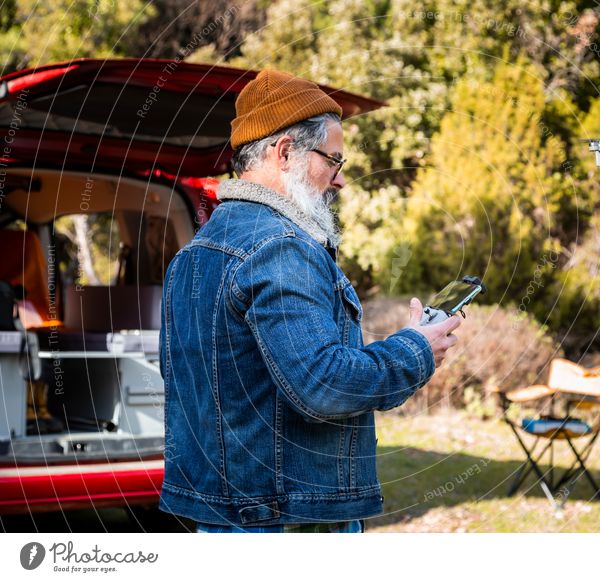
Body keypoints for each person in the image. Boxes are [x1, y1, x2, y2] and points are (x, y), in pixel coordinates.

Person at [158, 68, 461, 533]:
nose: (339, 180)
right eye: (333, 161)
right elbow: (325, 385)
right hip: (287, 521)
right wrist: (416, 349)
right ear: (284, 153)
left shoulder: (192, 255)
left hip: (227, 517)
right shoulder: (280, 247)